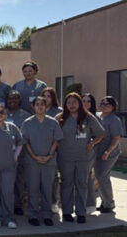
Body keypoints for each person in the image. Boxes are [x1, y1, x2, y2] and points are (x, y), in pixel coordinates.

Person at [56, 92, 104, 223]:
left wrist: (92, 143)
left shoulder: (88, 117)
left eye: (75, 102)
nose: (72, 105)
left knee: (82, 184)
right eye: (69, 103)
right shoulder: (60, 118)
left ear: (80, 104)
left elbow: (101, 133)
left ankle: (81, 213)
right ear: (65, 104)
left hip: (84, 157)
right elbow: (53, 136)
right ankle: (66, 212)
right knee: (66, 184)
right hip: (65, 157)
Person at [21, 96, 63, 226]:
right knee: (33, 189)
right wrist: (34, 156)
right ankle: (33, 214)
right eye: (37, 104)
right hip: (32, 161)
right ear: (33, 107)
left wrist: (49, 155)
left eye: (42, 104)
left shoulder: (52, 122)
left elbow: (56, 140)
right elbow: (25, 142)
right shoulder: (27, 123)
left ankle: (46, 215)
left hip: (49, 161)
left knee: (47, 188)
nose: (39, 106)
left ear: (46, 107)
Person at [95, 96, 124, 213]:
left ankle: (109, 203)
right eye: (102, 103)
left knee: (102, 176)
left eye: (107, 104)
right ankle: (104, 201)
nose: (104, 106)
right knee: (100, 176)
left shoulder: (114, 120)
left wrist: (108, 152)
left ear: (113, 107)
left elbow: (116, 138)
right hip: (99, 151)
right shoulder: (98, 116)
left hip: (110, 152)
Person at [5, 90, 30, 215]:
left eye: (15, 98)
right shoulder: (2, 113)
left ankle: (18, 205)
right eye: (10, 98)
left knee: (19, 181)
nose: (12, 101)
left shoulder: (26, 115)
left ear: (20, 101)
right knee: (6, 181)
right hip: (4, 154)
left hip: (21, 154)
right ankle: (6, 204)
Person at [41, 87, 63, 214]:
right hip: (42, 148)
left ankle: (54, 202)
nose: (46, 98)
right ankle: (44, 202)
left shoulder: (59, 111)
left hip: (57, 148)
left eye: (48, 96)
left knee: (55, 177)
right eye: (44, 96)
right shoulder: (39, 109)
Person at [82, 93, 99, 214]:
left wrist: (92, 143)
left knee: (88, 178)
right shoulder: (80, 116)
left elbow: (100, 134)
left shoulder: (94, 117)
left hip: (91, 152)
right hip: (79, 152)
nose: (86, 103)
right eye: (83, 100)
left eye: (89, 101)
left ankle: (91, 204)